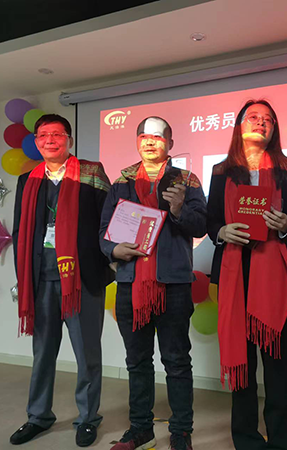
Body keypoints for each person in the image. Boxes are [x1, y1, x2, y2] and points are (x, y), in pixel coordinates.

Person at [100, 116, 207, 450]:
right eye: (144, 136)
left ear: (170, 144)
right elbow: (104, 230)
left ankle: (181, 432)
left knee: (177, 362)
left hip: (172, 284)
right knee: (137, 362)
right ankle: (140, 429)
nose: (150, 141)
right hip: (131, 284)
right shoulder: (121, 182)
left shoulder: (186, 180)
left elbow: (201, 226)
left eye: (158, 137)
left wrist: (179, 209)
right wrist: (113, 249)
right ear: (137, 141)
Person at [207, 100, 287, 450]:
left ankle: (279, 442)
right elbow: (211, 220)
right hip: (234, 274)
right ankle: (247, 440)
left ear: (274, 128)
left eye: (268, 119)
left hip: (274, 275)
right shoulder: (221, 171)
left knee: (278, 370)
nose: (261, 123)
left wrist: (285, 224)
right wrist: (222, 231)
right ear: (239, 126)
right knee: (243, 369)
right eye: (254, 117)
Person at [11, 114, 114, 447]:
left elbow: (110, 222)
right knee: (42, 353)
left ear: (69, 139)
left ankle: (88, 418)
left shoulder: (92, 173)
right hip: (41, 278)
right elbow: (19, 230)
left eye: (57, 134)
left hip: (82, 280)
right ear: (36, 142)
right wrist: (23, 275)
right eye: (43, 135)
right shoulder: (27, 180)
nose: (50, 140)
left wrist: (104, 267)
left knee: (87, 354)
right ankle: (38, 416)